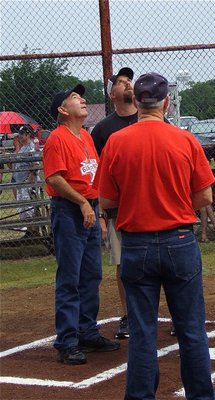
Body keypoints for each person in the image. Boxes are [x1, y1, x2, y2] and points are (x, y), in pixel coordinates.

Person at [97, 72, 215, 400]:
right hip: (179, 241)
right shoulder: (185, 140)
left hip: (136, 244)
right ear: (167, 102)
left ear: (136, 102)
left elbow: (106, 201)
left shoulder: (116, 142)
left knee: (142, 332)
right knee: (192, 330)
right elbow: (205, 197)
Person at [43, 84, 120, 365]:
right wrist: (84, 203)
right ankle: (67, 340)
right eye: (75, 98)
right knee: (70, 278)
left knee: (91, 275)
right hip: (69, 211)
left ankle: (87, 331)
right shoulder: (57, 139)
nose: (82, 99)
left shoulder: (86, 137)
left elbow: (95, 178)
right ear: (63, 111)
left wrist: (97, 211)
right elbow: (54, 178)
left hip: (89, 209)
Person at [91, 67, 136, 340]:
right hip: (119, 208)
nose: (127, 84)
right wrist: (101, 213)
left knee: (162, 260)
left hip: (150, 206)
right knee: (124, 263)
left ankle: (176, 315)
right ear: (112, 94)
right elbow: (97, 173)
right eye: (120, 82)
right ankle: (128, 315)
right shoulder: (104, 129)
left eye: (129, 80)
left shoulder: (150, 119)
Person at [12, 125, 40, 236]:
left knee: (29, 208)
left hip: (27, 183)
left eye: (21, 134)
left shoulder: (31, 147)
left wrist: (29, 182)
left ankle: (33, 232)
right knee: (22, 208)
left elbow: (35, 165)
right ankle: (29, 232)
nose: (19, 136)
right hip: (20, 183)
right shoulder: (23, 147)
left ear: (27, 134)